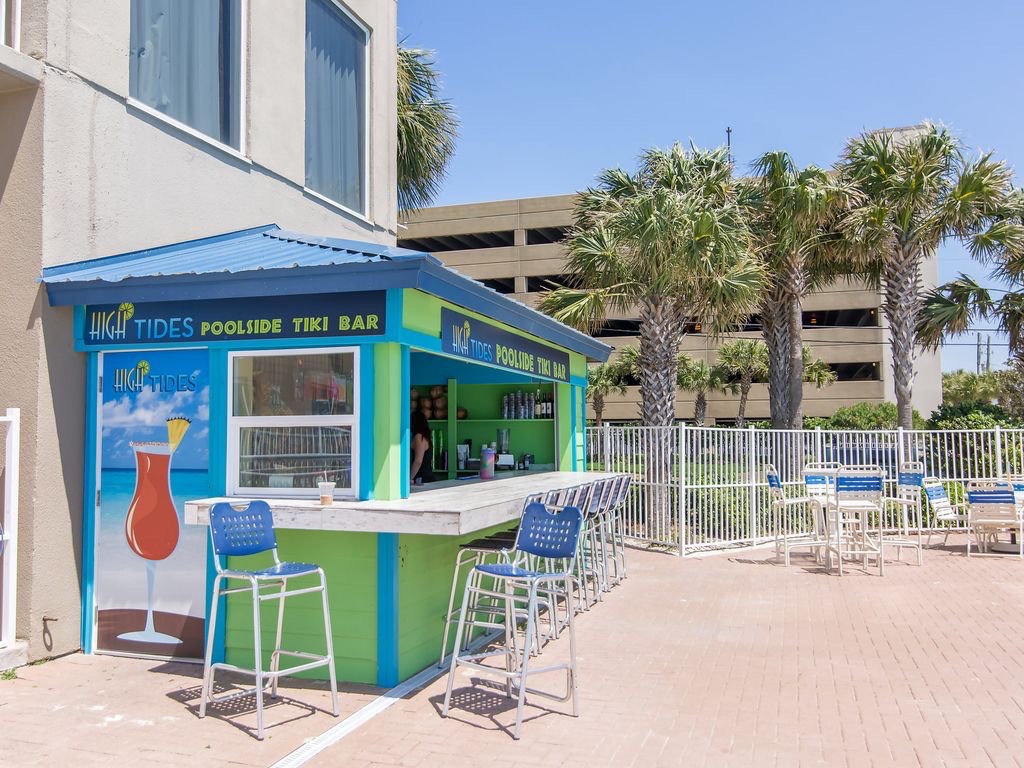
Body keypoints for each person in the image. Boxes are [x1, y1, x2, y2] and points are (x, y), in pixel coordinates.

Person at [410, 411, 435, 485]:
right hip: (424, 477)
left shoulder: (419, 437)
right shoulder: (424, 437)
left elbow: (418, 461)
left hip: (421, 479)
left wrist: (410, 478)